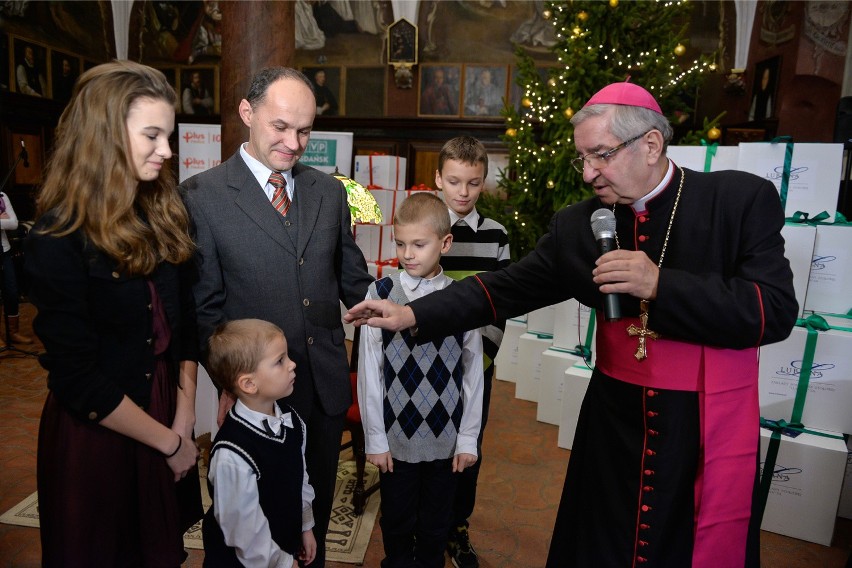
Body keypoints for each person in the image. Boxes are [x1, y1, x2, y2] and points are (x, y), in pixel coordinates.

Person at [346, 81, 798, 567]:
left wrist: (661, 284)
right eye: (582, 158)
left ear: (650, 144)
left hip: (701, 425)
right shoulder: (579, 226)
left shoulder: (738, 200)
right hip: (614, 420)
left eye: (599, 156)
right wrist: (413, 313)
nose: (587, 174)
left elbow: (774, 310)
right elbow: (503, 289)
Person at [180, 66, 373, 568]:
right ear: (248, 113)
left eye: (305, 130)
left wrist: (416, 299)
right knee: (256, 523)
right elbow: (205, 310)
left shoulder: (331, 192)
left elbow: (355, 282)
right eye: (281, 126)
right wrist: (230, 386)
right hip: (255, 394)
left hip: (324, 385)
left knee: (314, 518)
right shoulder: (203, 196)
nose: (294, 142)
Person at [24, 60, 202, 566]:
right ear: (104, 134)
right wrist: (168, 442)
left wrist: (184, 416)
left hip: (166, 409)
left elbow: (185, 324)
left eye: (168, 136)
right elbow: (77, 378)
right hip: (100, 434)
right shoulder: (57, 238)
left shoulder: (163, 212)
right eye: (152, 135)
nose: (166, 151)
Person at [358, 191, 484, 568]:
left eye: (419, 244)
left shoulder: (462, 299)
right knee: (396, 522)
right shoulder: (380, 293)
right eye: (400, 243)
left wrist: (468, 438)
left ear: (445, 243)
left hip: (446, 442)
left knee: (435, 525)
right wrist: (376, 438)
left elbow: (473, 373)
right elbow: (370, 371)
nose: (407, 253)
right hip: (396, 442)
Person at [433, 136, 509, 568]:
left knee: (467, 447)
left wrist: (479, 361)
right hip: (427, 362)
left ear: (484, 183)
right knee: (424, 439)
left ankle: (457, 528)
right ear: (438, 179)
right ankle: (424, 521)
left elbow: (501, 305)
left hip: (476, 365)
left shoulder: (496, 235)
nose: (463, 193)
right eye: (455, 181)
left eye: (473, 183)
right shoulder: (424, 225)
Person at [203, 318, 317, 567]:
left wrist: (305, 527)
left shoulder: (292, 421)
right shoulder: (232, 454)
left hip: (284, 545)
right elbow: (244, 533)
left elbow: (301, 480)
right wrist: (282, 563)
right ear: (248, 383)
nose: (292, 364)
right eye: (280, 361)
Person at [1, 191, 33, 345]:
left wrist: (6, 220)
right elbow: (6, 221)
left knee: (11, 291)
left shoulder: (2, 196)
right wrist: (1, 218)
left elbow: (13, 223)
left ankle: (13, 333)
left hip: (4, 251)